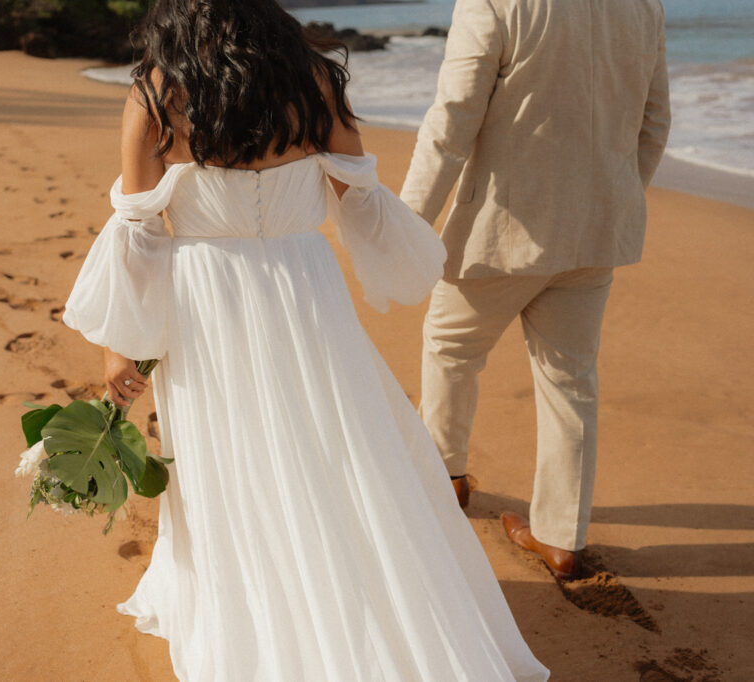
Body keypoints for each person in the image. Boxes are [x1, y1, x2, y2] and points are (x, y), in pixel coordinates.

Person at [63, 0, 549, 679]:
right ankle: (361, 595)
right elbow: (358, 193)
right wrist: (402, 251)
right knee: (335, 447)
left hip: (207, 298)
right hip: (305, 289)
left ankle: (261, 609)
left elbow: (139, 230)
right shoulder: (313, 80)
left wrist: (118, 343)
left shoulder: (155, 93)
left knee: (227, 457)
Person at [400, 0, 671, 579]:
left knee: (451, 349)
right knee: (570, 379)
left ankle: (445, 478)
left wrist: (408, 224)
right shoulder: (644, 7)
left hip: (503, 231)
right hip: (594, 234)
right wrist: (613, 201)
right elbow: (654, 122)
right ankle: (560, 537)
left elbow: (452, 122)